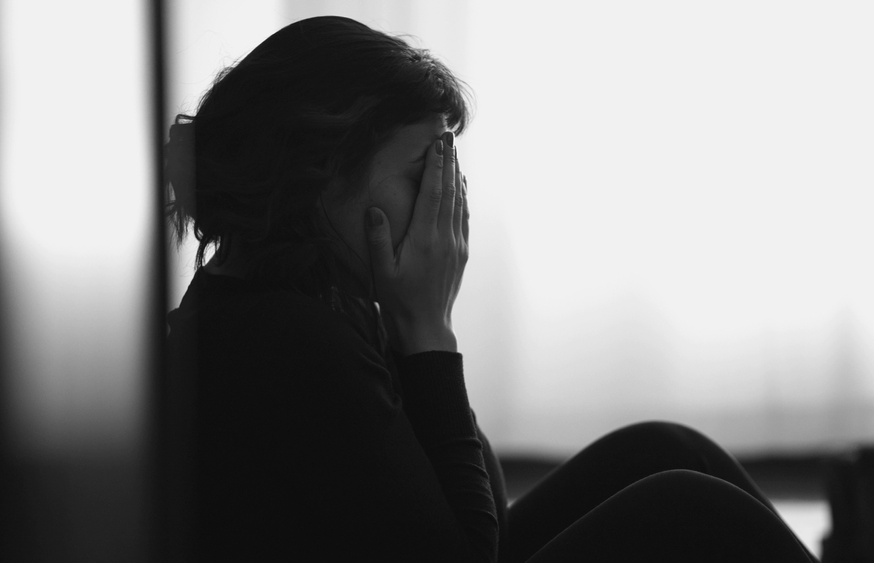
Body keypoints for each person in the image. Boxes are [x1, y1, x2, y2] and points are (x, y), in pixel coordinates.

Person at [162, 15, 819, 563]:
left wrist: (415, 322)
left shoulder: (295, 294)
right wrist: (428, 329)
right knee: (690, 506)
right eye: (425, 170)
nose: (446, 201)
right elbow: (475, 551)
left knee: (669, 448)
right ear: (320, 176)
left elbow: (486, 516)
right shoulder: (292, 342)